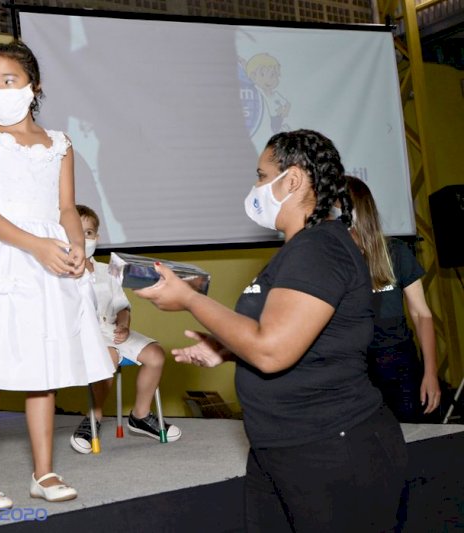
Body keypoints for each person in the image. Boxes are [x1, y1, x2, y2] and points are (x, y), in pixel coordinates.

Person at [136, 130, 408, 532]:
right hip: (281, 445)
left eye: (262, 176)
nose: (256, 188)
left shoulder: (319, 249)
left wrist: (191, 300)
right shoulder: (299, 251)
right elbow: (294, 333)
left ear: (293, 180)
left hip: (331, 447)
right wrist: (227, 348)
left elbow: (272, 351)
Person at [0, 41, 114, 511]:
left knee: (43, 368)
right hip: (1, 256)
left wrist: (74, 247)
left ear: (34, 86)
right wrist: (37, 247)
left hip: (50, 258)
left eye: (8, 80)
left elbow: (66, 206)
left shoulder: (61, 144)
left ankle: (44, 470)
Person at [69, 205, 181, 454]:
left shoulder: (107, 271)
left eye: (88, 232)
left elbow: (122, 305)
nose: (83, 238)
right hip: (83, 334)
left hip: (111, 330)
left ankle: (140, 415)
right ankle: (93, 418)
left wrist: (124, 324)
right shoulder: (63, 272)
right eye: (77, 232)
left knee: (155, 354)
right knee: (107, 357)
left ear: (96, 238)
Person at [346, 175, 441, 422]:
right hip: (355, 367)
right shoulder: (333, 261)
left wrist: (430, 373)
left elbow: (422, 314)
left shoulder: (396, 252)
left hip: (399, 363)